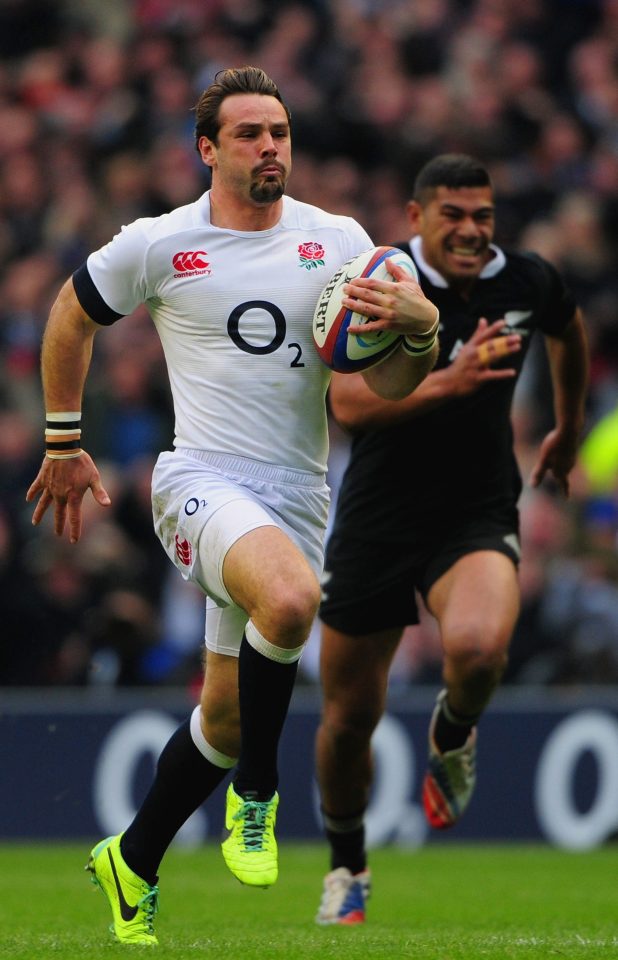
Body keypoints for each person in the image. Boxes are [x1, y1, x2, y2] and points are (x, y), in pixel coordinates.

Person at [25, 66, 439, 946]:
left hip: (298, 495)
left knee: (222, 713)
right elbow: (70, 314)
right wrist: (63, 440)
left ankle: (130, 862)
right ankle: (258, 792)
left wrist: (420, 327)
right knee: (291, 602)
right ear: (208, 149)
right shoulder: (160, 243)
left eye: (280, 133)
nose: (270, 148)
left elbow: (390, 384)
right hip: (200, 483)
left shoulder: (340, 242)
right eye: (250, 134)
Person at [314, 153, 589, 925]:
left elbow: (570, 331)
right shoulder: (384, 285)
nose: (470, 231)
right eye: (453, 216)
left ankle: (454, 730)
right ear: (415, 218)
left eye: (483, 217)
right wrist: (453, 379)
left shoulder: (526, 282)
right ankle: (347, 867)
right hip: (377, 514)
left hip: (474, 507)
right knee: (346, 723)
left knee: (476, 649)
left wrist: (567, 428)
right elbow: (350, 407)